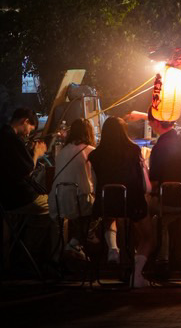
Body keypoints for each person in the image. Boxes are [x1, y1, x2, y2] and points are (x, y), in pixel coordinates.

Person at [88, 116, 151, 287]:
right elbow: (144, 184)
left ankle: (113, 250)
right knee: (147, 235)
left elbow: (94, 185)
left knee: (113, 218)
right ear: (124, 132)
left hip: (106, 204)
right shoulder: (134, 150)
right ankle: (136, 274)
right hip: (133, 203)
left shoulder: (95, 155)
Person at [148, 111, 181, 267]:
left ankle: (159, 257)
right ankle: (171, 254)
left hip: (168, 201)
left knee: (144, 212)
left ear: (156, 123)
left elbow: (153, 183)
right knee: (165, 219)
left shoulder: (158, 148)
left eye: (150, 122)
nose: (149, 125)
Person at [48, 118, 96, 257]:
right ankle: (76, 242)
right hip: (79, 201)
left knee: (68, 221)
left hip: (57, 199)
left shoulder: (62, 151)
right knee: (97, 211)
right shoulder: (91, 151)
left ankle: (58, 259)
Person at [0, 107, 48, 215]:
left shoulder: (3, 133)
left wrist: (29, 152)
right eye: (30, 129)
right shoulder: (13, 138)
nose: (28, 134)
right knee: (59, 206)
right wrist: (37, 153)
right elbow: (28, 170)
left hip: (6, 199)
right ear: (25, 121)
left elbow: (16, 164)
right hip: (21, 198)